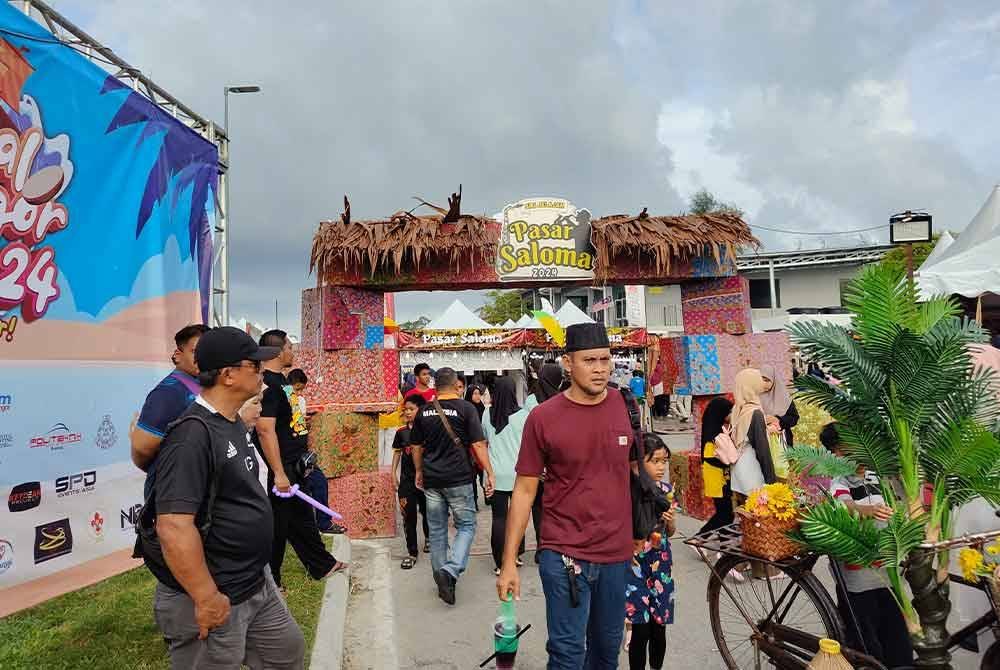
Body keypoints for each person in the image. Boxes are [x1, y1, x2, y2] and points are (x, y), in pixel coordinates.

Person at [146, 326, 306, 668]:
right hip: (216, 593)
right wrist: (205, 598)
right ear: (228, 375)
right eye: (255, 365)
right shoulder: (191, 437)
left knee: (286, 653)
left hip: (252, 580)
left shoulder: (231, 421)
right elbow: (173, 527)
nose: (263, 371)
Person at [497, 323, 634, 669]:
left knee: (607, 653)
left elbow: (634, 472)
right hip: (563, 555)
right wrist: (509, 562)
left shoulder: (624, 404)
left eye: (605, 359)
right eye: (590, 360)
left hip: (616, 555)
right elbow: (525, 491)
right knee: (567, 654)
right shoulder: (543, 418)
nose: (600, 368)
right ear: (568, 364)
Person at [255, 330, 346, 591]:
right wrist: (279, 472)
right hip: (281, 469)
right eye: (290, 347)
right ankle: (271, 581)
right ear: (278, 352)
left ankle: (322, 564)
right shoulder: (269, 386)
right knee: (278, 527)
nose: (292, 352)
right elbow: (265, 429)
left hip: (296, 466)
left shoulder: (282, 383)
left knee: (302, 519)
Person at [820, 423, 914, 669]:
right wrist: (867, 510)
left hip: (889, 571)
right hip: (859, 576)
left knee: (896, 624)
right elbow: (843, 504)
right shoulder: (839, 480)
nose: (858, 452)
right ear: (837, 453)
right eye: (848, 449)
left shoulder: (879, 474)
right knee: (864, 631)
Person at [411, 367, 495, 605]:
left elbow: (416, 446)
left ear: (436, 386)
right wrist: (490, 472)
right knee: (466, 526)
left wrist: (418, 470)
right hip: (458, 478)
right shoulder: (467, 409)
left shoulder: (424, 411)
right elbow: (478, 445)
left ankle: (442, 576)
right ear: (456, 384)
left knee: (436, 530)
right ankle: (451, 570)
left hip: (433, 479)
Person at [132, 324, 210, 496]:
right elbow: (142, 449)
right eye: (195, 351)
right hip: (173, 494)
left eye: (208, 352)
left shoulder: (206, 386)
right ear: (178, 355)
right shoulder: (169, 392)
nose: (203, 358)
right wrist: (171, 469)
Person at [626, 433, 676, 670]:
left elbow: (671, 532)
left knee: (659, 628)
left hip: (661, 566)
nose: (660, 467)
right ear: (638, 461)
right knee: (640, 630)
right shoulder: (629, 491)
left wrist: (670, 519)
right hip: (636, 567)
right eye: (654, 460)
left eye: (664, 461)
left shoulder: (666, 490)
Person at [286, 368, 345, 535]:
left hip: (300, 451)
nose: (297, 392)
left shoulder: (300, 401)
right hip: (290, 452)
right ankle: (318, 524)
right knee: (312, 483)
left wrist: (303, 424)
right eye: (295, 388)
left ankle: (322, 523)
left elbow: (300, 425)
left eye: (300, 389)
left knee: (318, 482)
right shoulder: (282, 399)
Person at [484, 377, 531, 574]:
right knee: (518, 516)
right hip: (519, 474)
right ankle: (517, 554)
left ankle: (499, 562)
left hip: (496, 474)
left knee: (499, 518)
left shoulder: (487, 414)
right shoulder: (523, 416)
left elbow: (484, 440)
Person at [392, 395, 430, 568]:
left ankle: (429, 538)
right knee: (408, 516)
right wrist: (393, 473)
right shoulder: (401, 432)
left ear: (420, 410)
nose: (407, 412)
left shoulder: (429, 429)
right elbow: (398, 453)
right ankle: (412, 552)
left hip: (426, 480)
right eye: (405, 409)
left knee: (428, 512)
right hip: (407, 481)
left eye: (411, 409)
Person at [729, 369, 776, 498]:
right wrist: (771, 481)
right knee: (757, 514)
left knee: (745, 514)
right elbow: (762, 450)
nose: (761, 382)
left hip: (740, 469)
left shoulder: (739, 409)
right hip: (752, 470)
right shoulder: (754, 413)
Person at [698, 396, 736, 535]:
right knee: (724, 515)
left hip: (720, 479)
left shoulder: (716, 429)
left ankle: (724, 544)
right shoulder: (712, 434)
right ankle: (699, 538)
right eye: (729, 412)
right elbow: (710, 459)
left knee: (725, 514)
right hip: (717, 480)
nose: (731, 415)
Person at [759, 364, 799, 447]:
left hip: (782, 438)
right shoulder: (754, 395)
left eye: (767, 380)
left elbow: (794, 418)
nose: (764, 383)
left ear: (774, 380)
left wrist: (777, 420)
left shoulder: (783, 396)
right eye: (762, 380)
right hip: (761, 439)